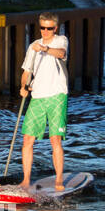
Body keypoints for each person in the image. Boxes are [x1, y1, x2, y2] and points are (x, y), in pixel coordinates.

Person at [19, 12, 69, 191]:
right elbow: (26, 71)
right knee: (27, 139)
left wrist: (45, 49)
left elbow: (61, 53)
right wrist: (23, 86)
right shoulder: (33, 46)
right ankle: (25, 180)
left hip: (57, 95)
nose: (45, 31)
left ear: (55, 28)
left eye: (49, 28)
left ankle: (59, 180)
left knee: (55, 139)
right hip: (38, 96)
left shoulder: (61, 40)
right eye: (42, 28)